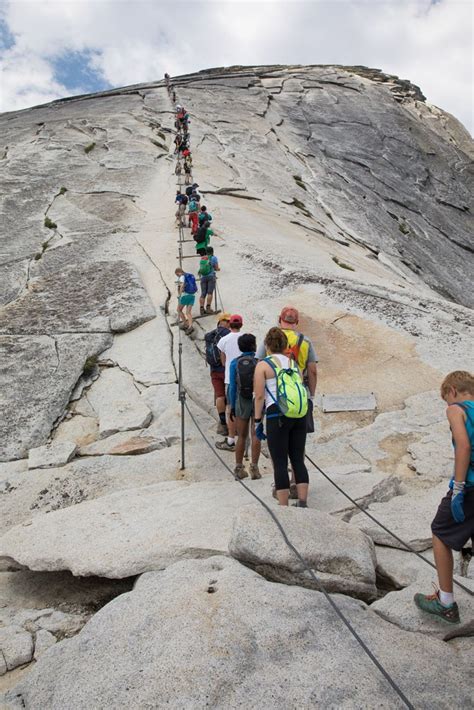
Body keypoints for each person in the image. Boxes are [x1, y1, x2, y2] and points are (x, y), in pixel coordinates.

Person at [414, 371, 474, 624]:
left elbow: (463, 445)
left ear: (452, 390)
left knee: (439, 532)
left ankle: (446, 602)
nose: (447, 405)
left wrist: (458, 488)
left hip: (469, 485)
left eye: (446, 399)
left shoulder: (456, 409)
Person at [257, 306, 318, 499]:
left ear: (279, 319)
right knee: (298, 453)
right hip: (300, 399)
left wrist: (258, 418)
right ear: (296, 322)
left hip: (276, 403)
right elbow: (312, 370)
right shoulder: (304, 341)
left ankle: (280, 487)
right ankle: (299, 492)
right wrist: (311, 396)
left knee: (279, 455)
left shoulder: (268, 341)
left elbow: (258, 363)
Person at [228, 334, 262, 480]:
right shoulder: (259, 363)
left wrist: (232, 406)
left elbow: (232, 386)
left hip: (241, 400)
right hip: (256, 399)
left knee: (241, 435)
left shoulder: (235, 363)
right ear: (254, 346)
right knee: (256, 434)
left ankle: (238, 467)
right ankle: (254, 468)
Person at [216, 315, 244, 451]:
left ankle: (231, 440)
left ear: (230, 325)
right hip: (246, 379)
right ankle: (244, 440)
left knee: (231, 409)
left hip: (230, 379)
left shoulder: (223, 340)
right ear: (241, 325)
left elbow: (222, 361)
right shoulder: (246, 337)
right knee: (245, 409)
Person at [205, 313, 231, 436]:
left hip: (214, 370)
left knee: (220, 396)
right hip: (226, 370)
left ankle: (222, 424)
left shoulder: (210, 335)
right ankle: (233, 426)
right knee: (230, 398)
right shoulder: (228, 335)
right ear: (226, 322)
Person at [197, 247, 219, 315]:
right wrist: (217, 269)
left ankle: (201, 309)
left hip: (203, 277)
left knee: (203, 293)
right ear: (212, 251)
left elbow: (201, 269)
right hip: (210, 277)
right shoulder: (213, 258)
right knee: (210, 293)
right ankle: (208, 308)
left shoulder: (203, 258)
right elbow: (216, 268)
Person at [175, 267, 196, 335]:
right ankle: (190, 326)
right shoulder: (189, 275)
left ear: (179, 272)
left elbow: (181, 285)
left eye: (177, 275)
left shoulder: (182, 277)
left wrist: (180, 295)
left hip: (185, 295)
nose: (177, 276)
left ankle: (185, 324)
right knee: (188, 312)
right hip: (192, 295)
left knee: (179, 310)